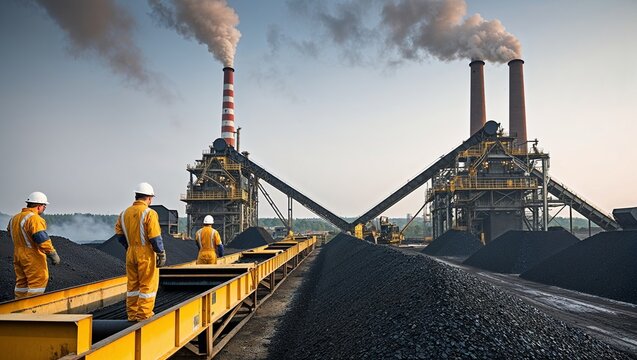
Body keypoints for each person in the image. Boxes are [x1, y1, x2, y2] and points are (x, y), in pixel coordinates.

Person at [114, 182, 166, 321]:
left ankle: (132, 315)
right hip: (146, 253)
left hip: (130, 253)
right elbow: (155, 236)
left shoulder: (124, 213)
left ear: (136, 196)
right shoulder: (150, 213)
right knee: (147, 285)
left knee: (133, 285)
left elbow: (119, 234)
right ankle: (143, 315)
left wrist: (129, 246)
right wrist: (160, 252)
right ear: (149, 198)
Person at [7, 191, 60, 299]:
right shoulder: (34, 219)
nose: (44, 208)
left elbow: (10, 232)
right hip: (32, 256)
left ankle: (19, 308)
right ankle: (31, 310)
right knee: (38, 281)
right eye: (44, 206)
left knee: (22, 283)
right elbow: (42, 239)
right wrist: (52, 254)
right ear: (39, 206)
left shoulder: (14, 218)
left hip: (18, 255)